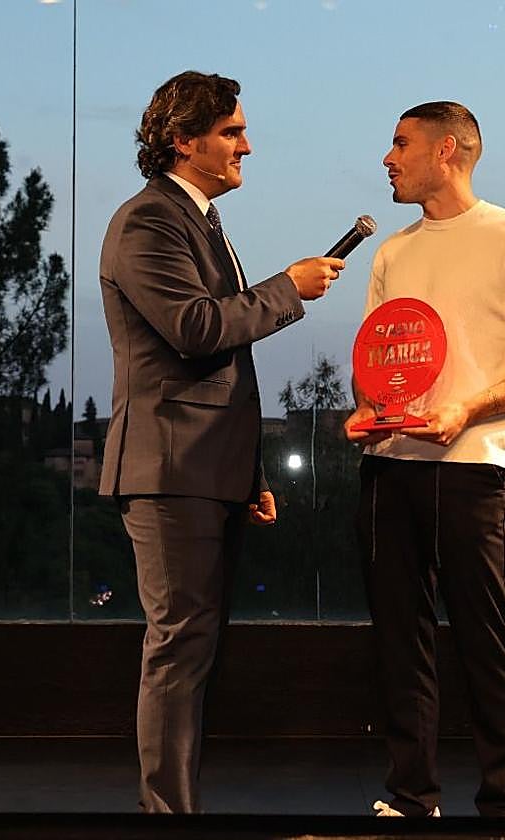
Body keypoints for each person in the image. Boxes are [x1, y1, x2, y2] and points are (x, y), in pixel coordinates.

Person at [99, 70, 343, 814]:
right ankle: (167, 816)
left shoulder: (197, 221)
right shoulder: (148, 222)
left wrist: (249, 473)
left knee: (192, 647)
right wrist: (289, 287)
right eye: (232, 133)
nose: (248, 146)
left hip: (206, 472)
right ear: (184, 141)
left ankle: (175, 808)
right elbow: (198, 332)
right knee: (178, 648)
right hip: (171, 472)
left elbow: (222, 374)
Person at [344, 101, 505, 818]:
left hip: (475, 468)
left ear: (447, 151)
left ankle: (501, 801)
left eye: (400, 143)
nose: (387, 157)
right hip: (390, 465)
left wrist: (467, 409)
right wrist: (369, 411)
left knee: (485, 639)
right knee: (398, 641)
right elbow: (381, 363)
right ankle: (411, 794)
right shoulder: (392, 253)